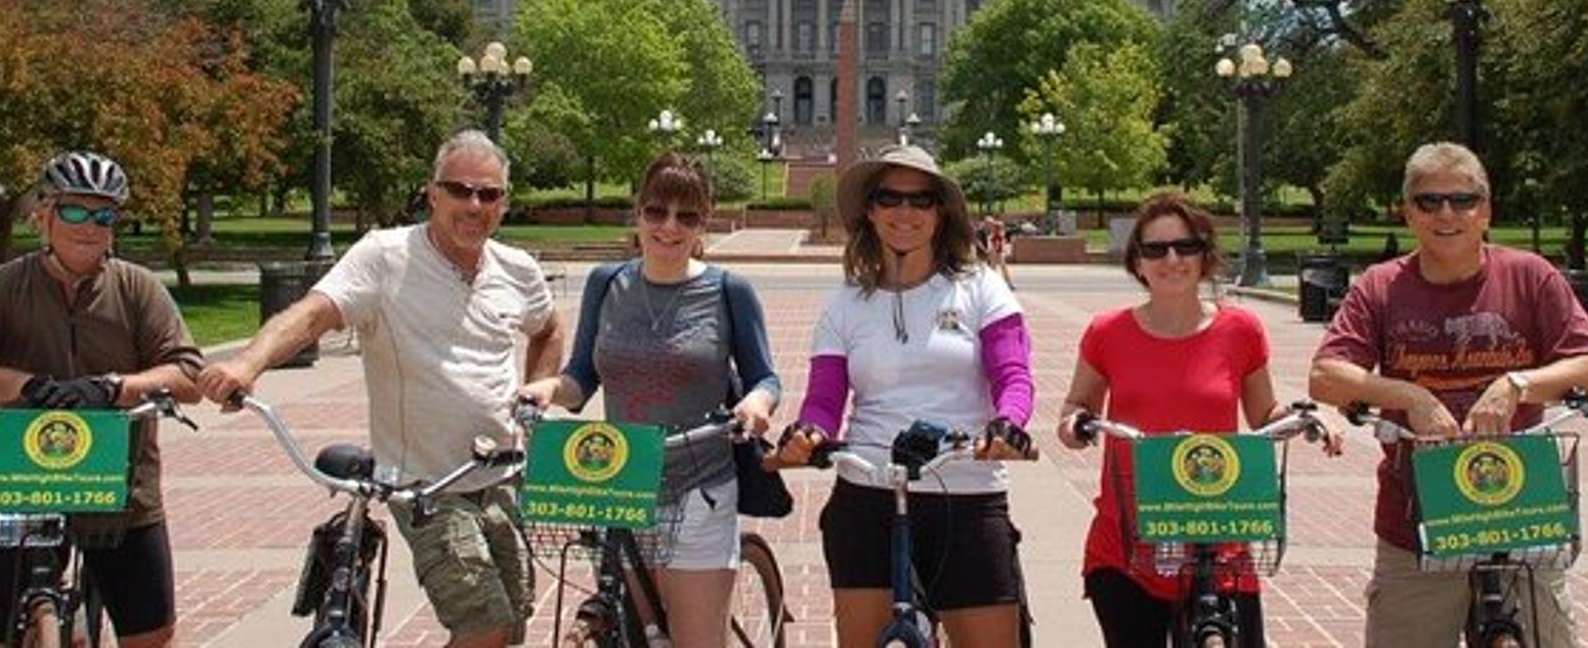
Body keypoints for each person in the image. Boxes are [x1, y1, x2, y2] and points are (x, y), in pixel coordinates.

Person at [199, 130, 562, 648]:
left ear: (504, 202)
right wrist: (247, 364)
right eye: (459, 190)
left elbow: (549, 327)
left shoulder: (516, 269)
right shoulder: (386, 256)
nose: (474, 204)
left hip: (503, 474)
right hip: (426, 485)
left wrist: (539, 386)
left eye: (489, 194)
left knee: (513, 622)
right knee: (484, 626)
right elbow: (312, 315)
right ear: (432, 193)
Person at [1308, 142, 1588, 648]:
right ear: (1408, 212)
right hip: (1416, 517)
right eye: (1428, 201)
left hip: (1521, 508)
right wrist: (1409, 395)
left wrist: (1517, 384)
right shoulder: (1380, 287)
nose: (1446, 213)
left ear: (1487, 210)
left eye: (1463, 199)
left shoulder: (1531, 276)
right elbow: (1325, 376)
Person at [0, 151, 204, 648]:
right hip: (25, 482)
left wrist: (117, 387)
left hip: (121, 488)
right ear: (42, 215)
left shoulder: (136, 289)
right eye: (74, 211)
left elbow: (189, 375)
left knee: (152, 637)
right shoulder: (7, 286)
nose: (90, 226)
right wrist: (24, 385)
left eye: (105, 215)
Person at [772, 145, 1037, 648]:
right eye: (889, 198)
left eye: (921, 201)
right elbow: (825, 399)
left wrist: (1008, 423)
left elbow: (1014, 376)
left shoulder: (981, 287)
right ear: (869, 211)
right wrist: (810, 433)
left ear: (941, 213)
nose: (905, 213)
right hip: (868, 491)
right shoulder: (846, 303)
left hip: (965, 489)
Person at [517, 152, 782, 648]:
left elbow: (765, 377)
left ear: (705, 222)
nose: (669, 227)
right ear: (638, 213)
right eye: (657, 211)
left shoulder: (728, 290)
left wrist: (756, 405)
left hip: (698, 482)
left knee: (695, 641)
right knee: (638, 637)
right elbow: (581, 377)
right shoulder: (606, 283)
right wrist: (547, 388)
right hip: (620, 483)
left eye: (687, 216)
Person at [1055, 191, 1339, 647]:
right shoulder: (1107, 332)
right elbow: (1075, 408)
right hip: (1128, 540)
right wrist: (1075, 425)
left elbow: (1264, 413)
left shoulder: (1240, 329)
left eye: (1185, 247)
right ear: (1138, 263)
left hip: (1218, 534)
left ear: (1204, 256)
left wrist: (1307, 416)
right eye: (1155, 249)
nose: (1172, 259)